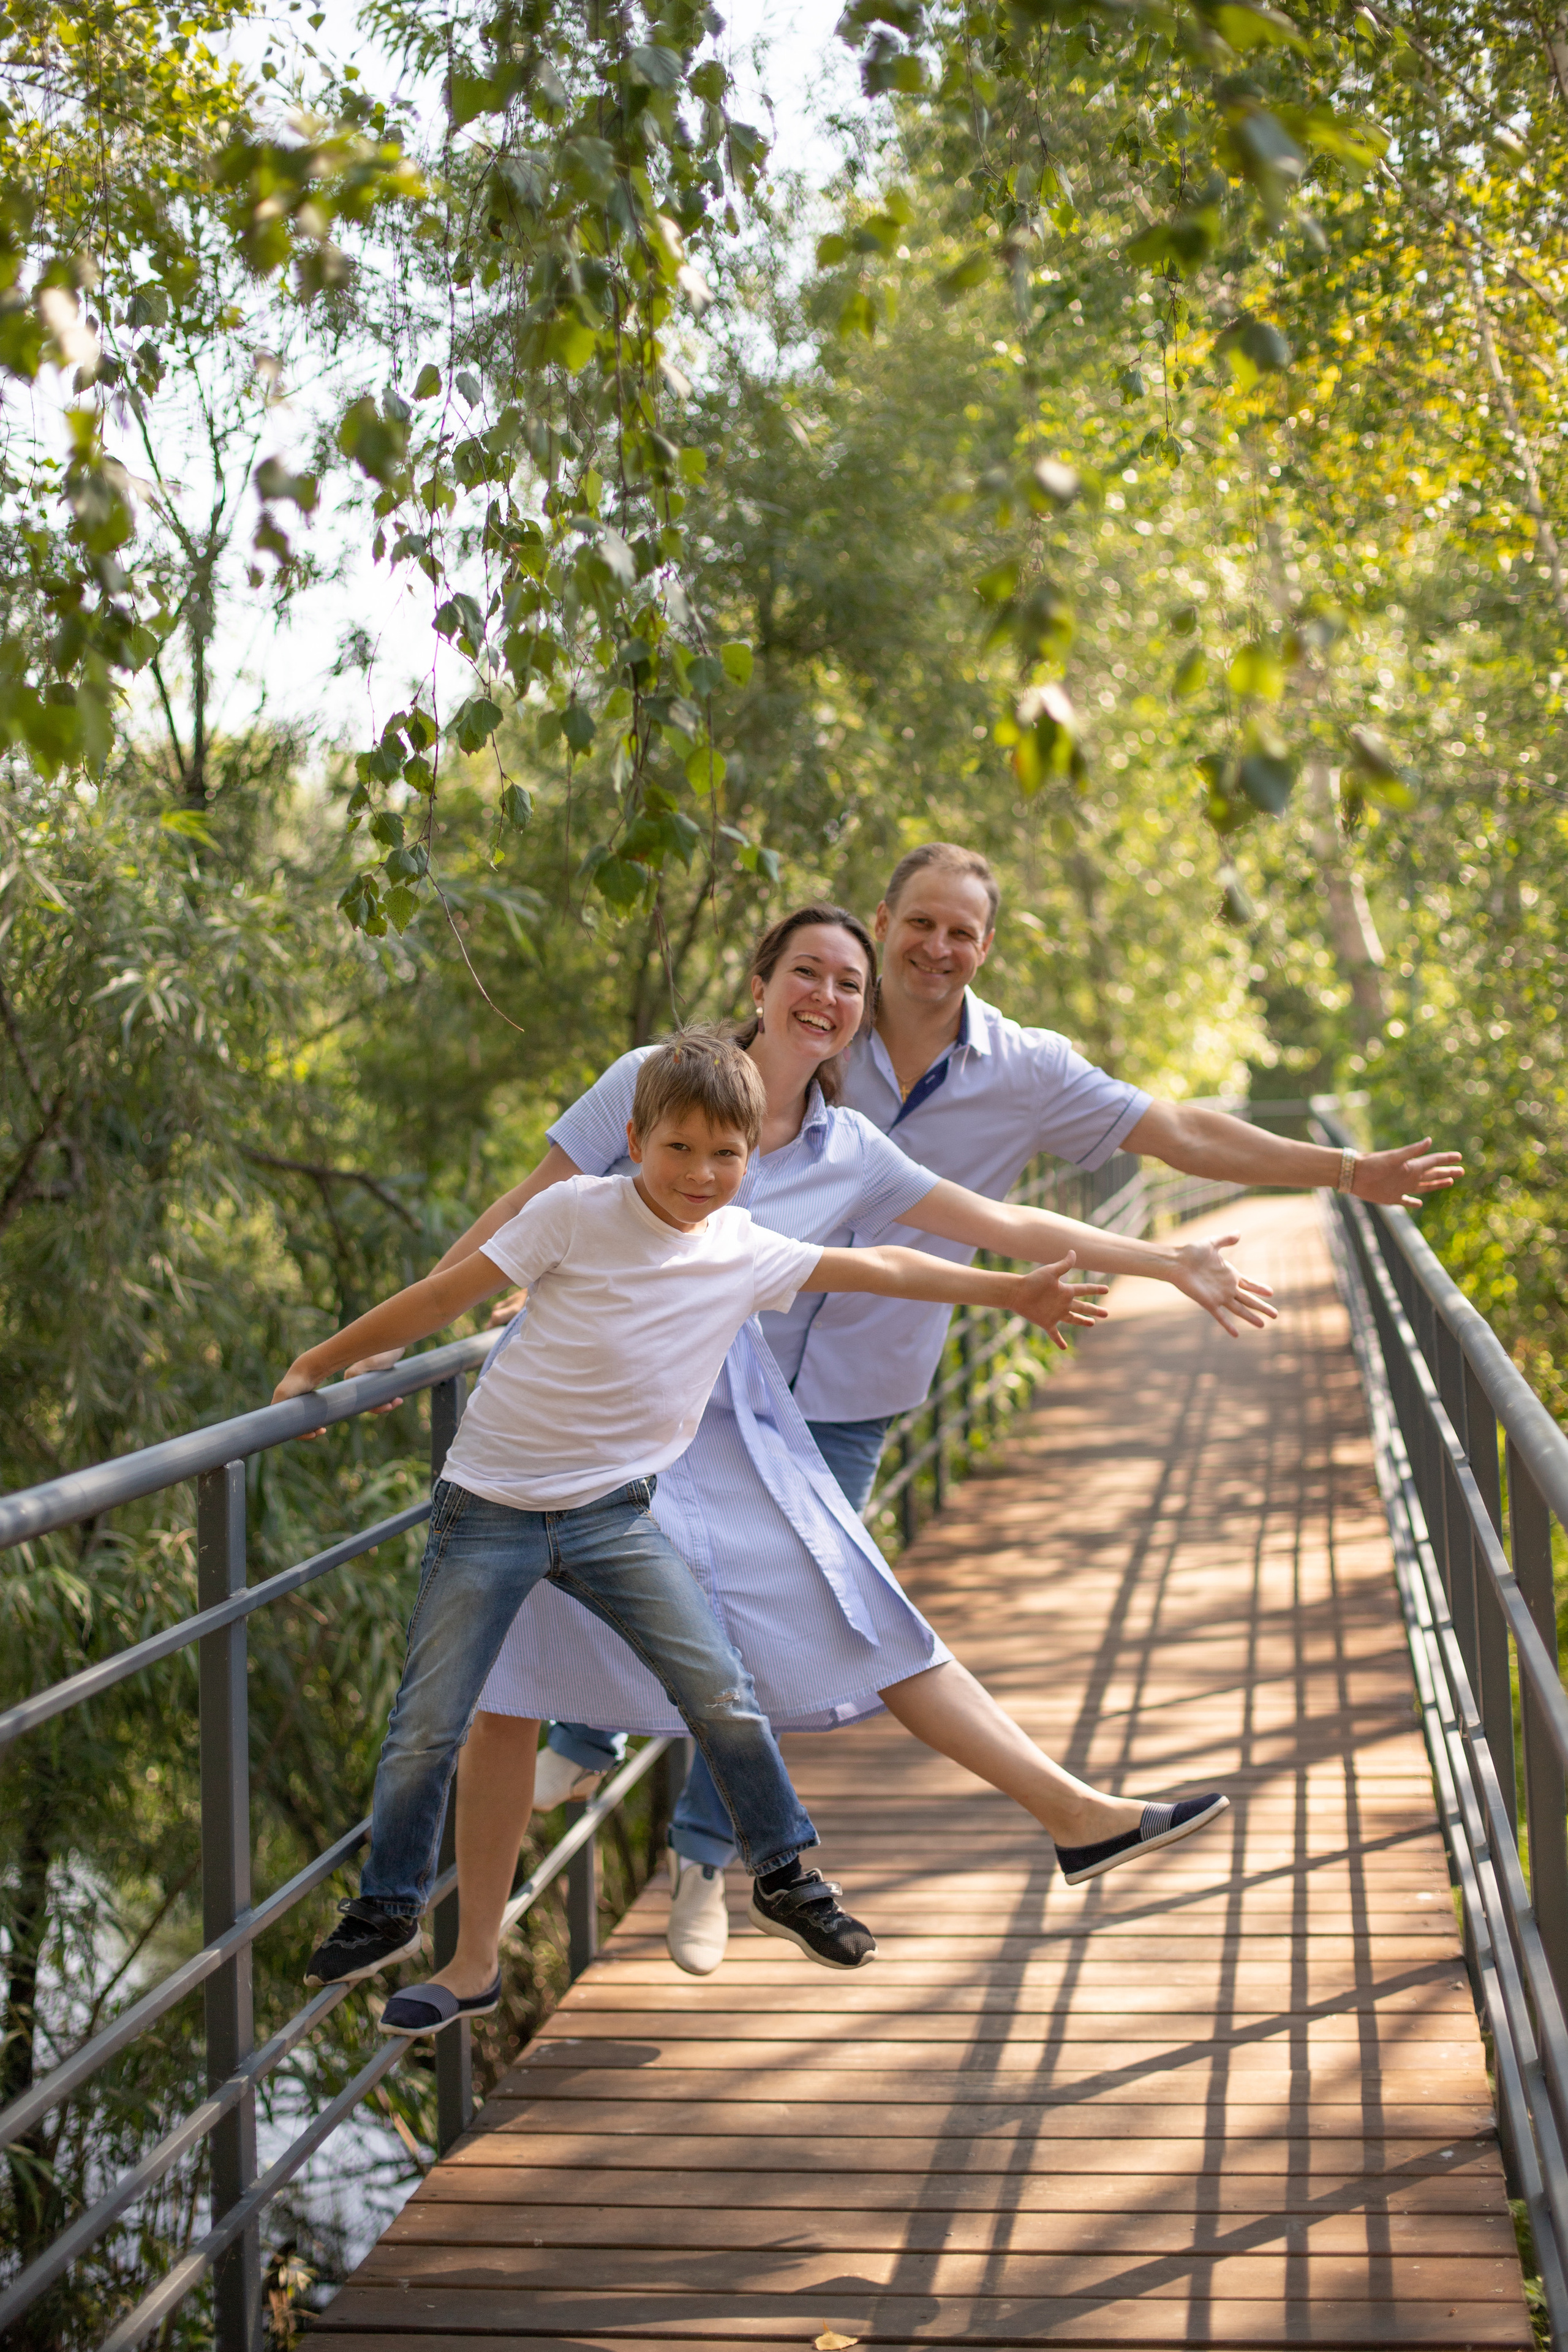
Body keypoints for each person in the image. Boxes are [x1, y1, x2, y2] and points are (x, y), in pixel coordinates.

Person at [356, 902, 1264, 1992]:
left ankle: (1071, 1813)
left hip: (725, 1421)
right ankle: (473, 1960)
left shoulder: (850, 1150)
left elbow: (1003, 1227)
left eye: (848, 984)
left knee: (859, 1603)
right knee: (504, 1686)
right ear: (760, 982)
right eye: (807, 973)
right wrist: (403, 1337)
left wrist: (1166, 1261)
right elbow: (525, 1214)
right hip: (574, 1429)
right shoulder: (653, 1077)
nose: (826, 999)